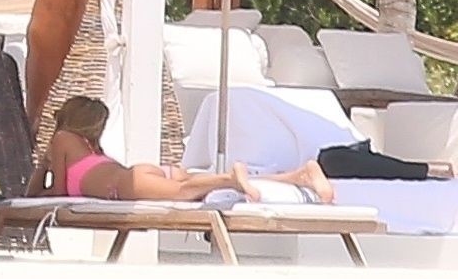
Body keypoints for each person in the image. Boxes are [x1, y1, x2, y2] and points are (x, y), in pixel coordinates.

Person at [27, 96, 335, 203]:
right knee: (192, 186)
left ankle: (228, 179)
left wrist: (43, 164)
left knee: (183, 193)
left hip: (124, 185)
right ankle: (296, 176)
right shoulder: (92, 149)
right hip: (139, 173)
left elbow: (55, 193)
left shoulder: (63, 139)